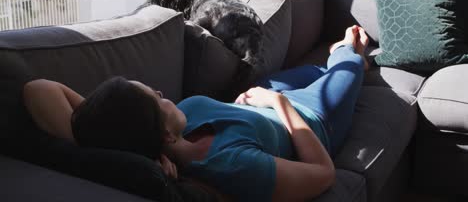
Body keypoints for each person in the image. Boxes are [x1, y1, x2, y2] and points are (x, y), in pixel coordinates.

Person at [23, 25, 369, 202]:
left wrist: (86, 142)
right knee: (350, 62)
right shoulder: (232, 166)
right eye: (156, 99)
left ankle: (325, 68)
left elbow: (37, 88)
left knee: (312, 72)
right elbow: (323, 174)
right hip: (312, 116)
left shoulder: (176, 119)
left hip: (259, 100)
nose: (162, 93)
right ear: (164, 135)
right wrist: (280, 104)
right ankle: (344, 52)